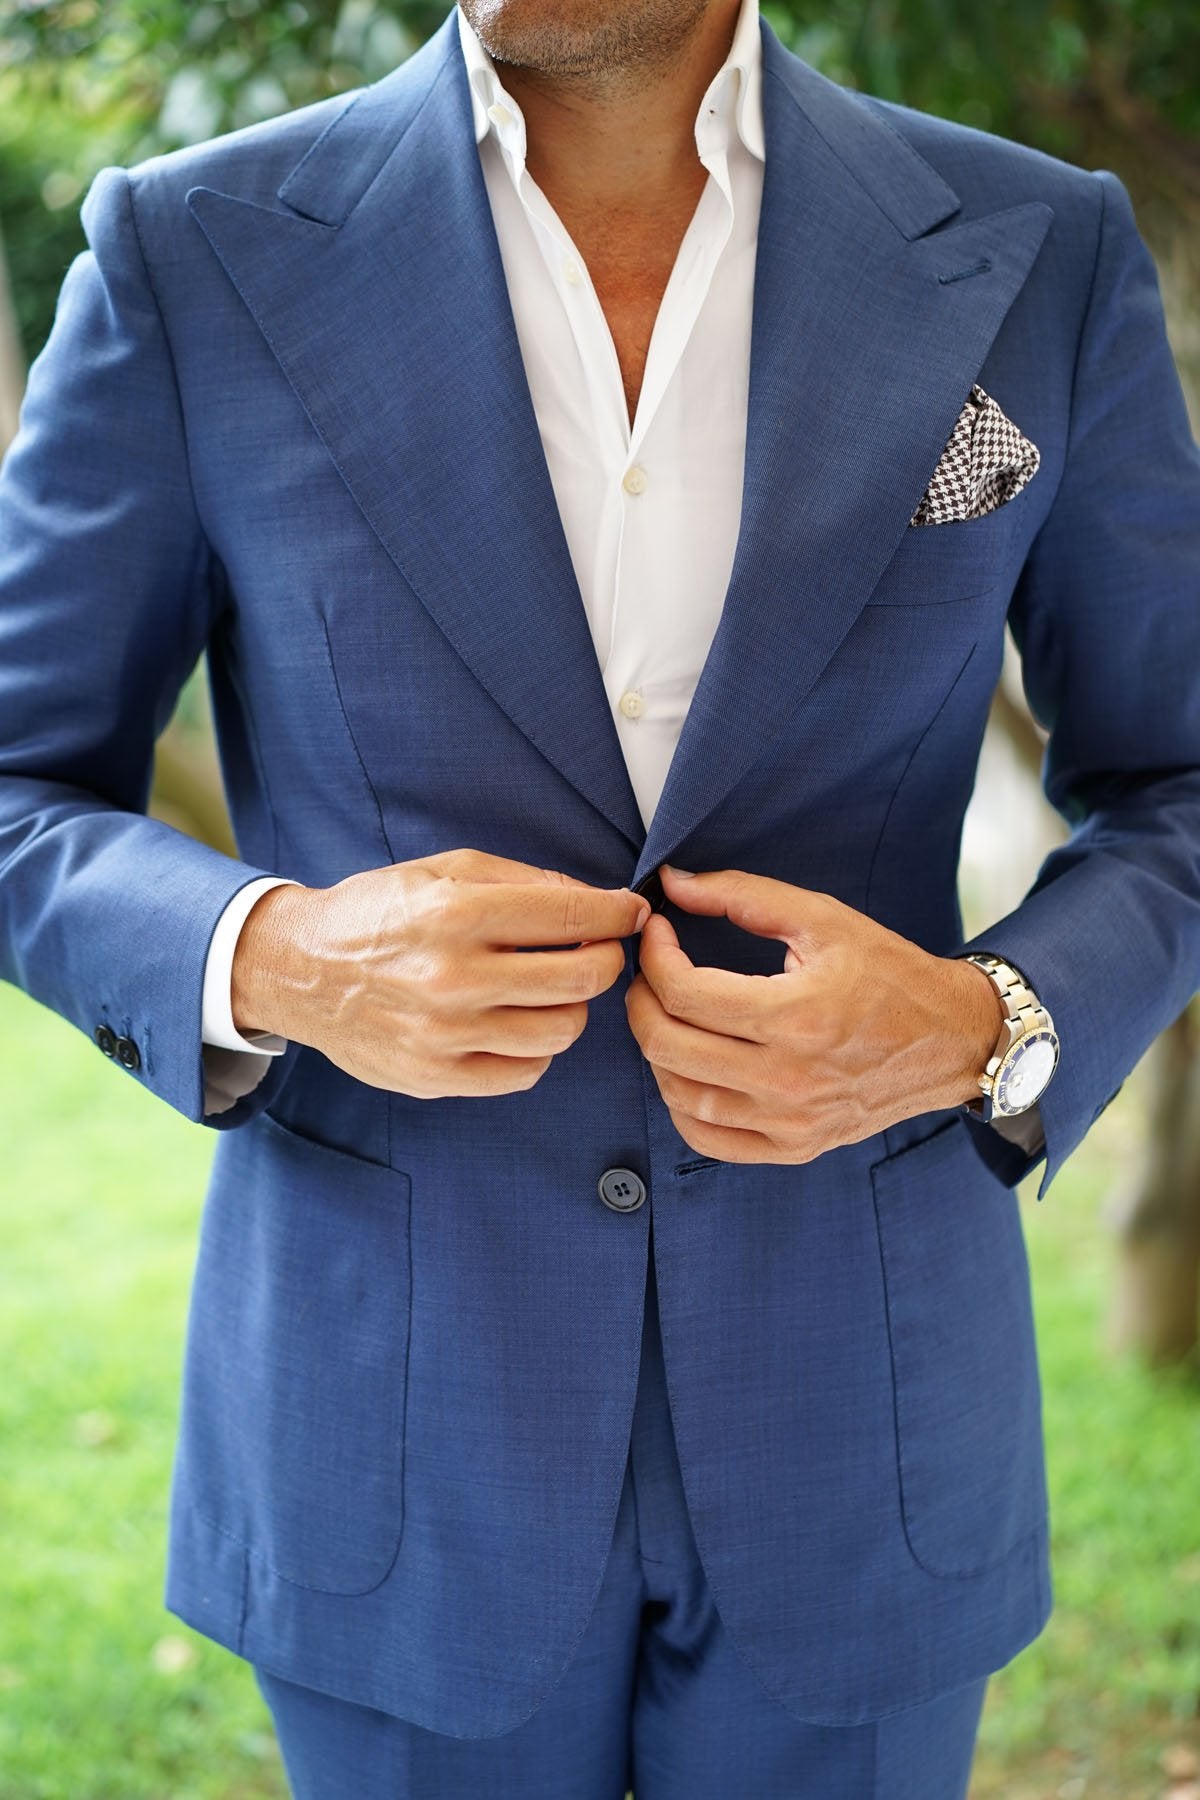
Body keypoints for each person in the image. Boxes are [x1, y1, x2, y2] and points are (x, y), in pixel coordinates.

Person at [2, 0, 1198, 1792]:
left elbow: (1176, 776)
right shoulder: (191, 249)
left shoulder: (1035, 245)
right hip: (397, 1451)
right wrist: (281, 957)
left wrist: (982, 1022)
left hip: (860, 1441)